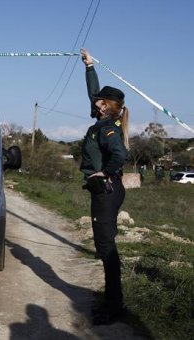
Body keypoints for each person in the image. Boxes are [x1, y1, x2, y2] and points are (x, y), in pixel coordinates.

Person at [80, 48, 130, 325]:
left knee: (106, 245)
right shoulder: (102, 120)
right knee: (104, 244)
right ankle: (113, 301)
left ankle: (114, 305)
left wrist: (105, 173)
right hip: (105, 191)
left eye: (100, 100)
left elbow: (120, 155)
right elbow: (93, 92)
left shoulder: (108, 128)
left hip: (107, 192)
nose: (95, 101)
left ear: (106, 106)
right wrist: (89, 67)